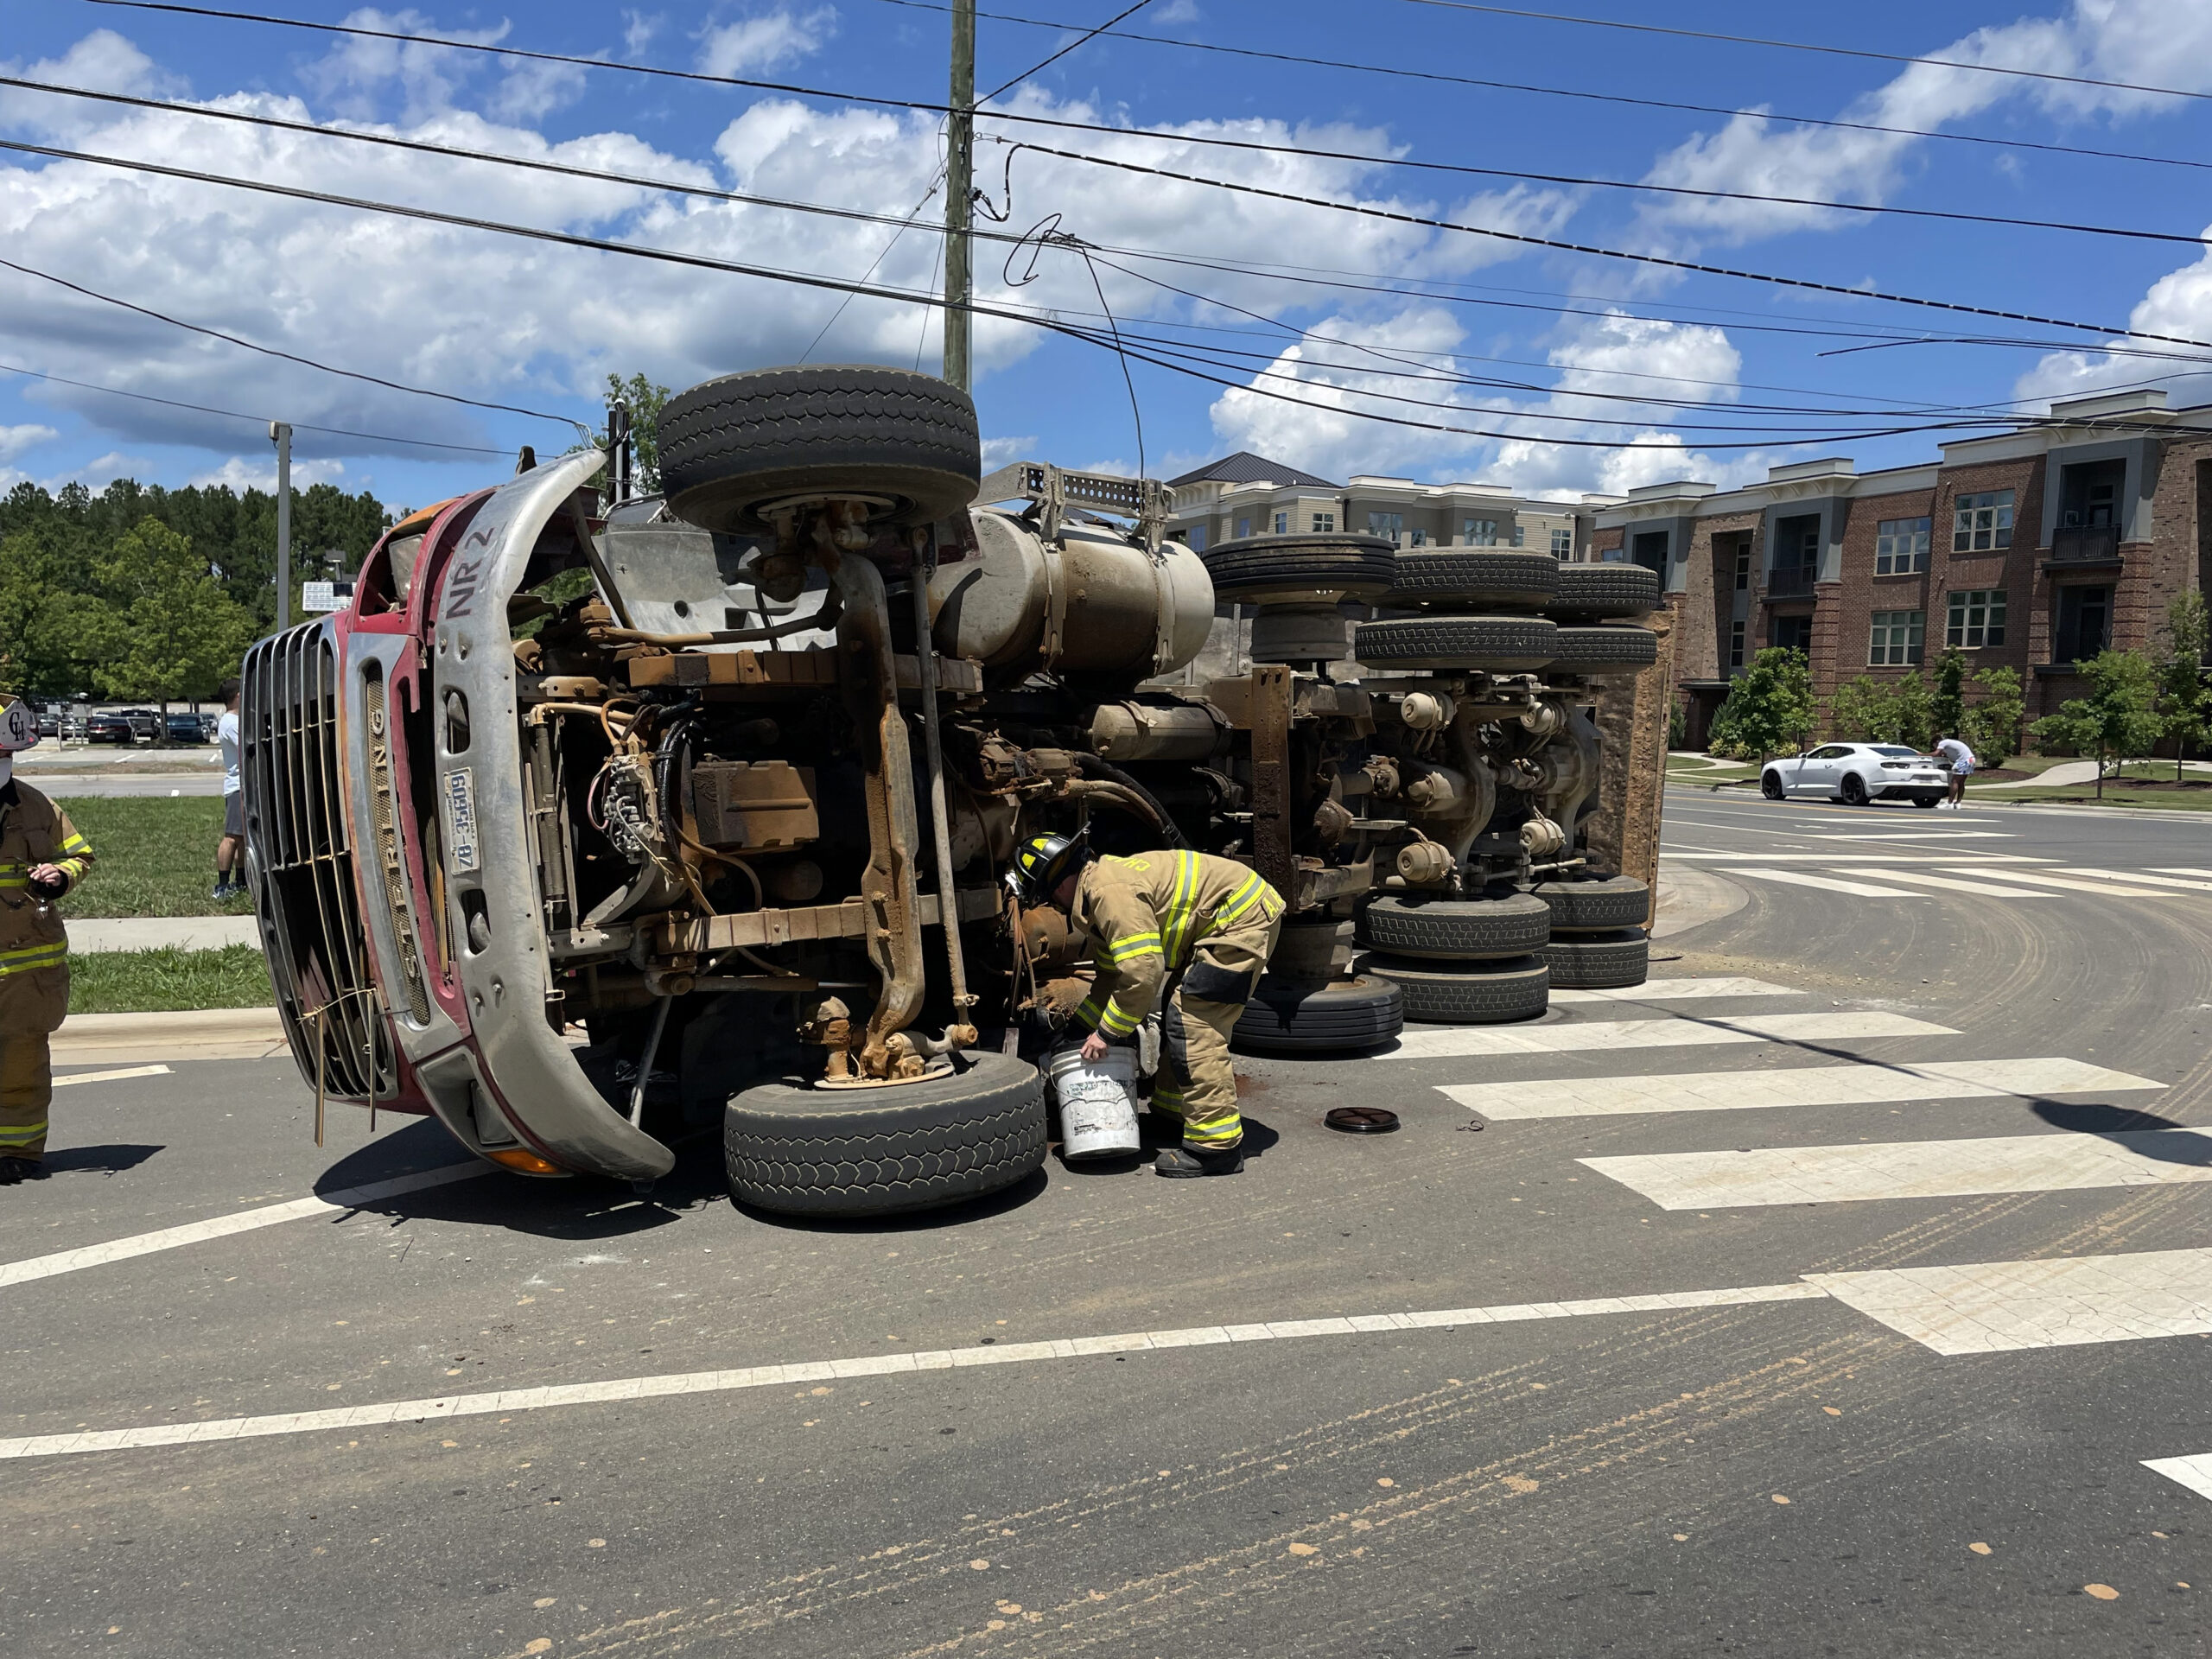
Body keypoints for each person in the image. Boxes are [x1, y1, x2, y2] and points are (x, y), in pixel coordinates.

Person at [1016, 832, 1283, 1179]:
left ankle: (1217, 1148)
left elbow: (1142, 973)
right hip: (1222, 919)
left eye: (1049, 896)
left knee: (1195, 1024)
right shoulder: (1098, 894)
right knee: (1178, 1013)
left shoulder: (1107, 893)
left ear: (1060, 883)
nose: (1055, 906)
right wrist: (1079, 1029)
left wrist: (1107, 1034)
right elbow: (1112, 977)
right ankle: (1173, 1113)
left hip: (1240, 919)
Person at [0, 695, 95, 1184]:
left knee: (21, 1064)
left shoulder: (35, 805)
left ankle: (18, 1151)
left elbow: (79, 855)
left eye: (6, 757)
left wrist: (59, 876)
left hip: (25, 971)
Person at [213, 677, 243, 899]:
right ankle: (222, 886)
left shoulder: (235, 721)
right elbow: (247, 746)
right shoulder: (231, 723)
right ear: (238, 696)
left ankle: (241, 881)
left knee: (243, 837)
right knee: (232, 837)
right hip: (237, 787)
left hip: (244, 786)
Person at [1934, 731, 1977, 810]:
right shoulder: (1950, 743)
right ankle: (1958, 803)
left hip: (1963, 761)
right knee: (1961, 783)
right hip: (1971, 759)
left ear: (1937, 742)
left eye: (1935, 746)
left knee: (1955, 781)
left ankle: (1949, 803)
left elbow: (1935, 754)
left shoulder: (1942, 743)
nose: (1936, 748)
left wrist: (1921, 754)